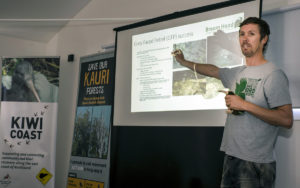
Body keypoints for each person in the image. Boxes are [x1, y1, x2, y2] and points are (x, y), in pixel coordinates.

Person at [173, 17, 293, 188]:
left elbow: (286, 119)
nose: (245, 38)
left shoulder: (273, 74)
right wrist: (184, 63)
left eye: (251, 34)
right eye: (242, 34)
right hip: (232, 158)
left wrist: (243, 104)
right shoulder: (238, 73)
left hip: (255, 164)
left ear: (264, 39)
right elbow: (213, 70)